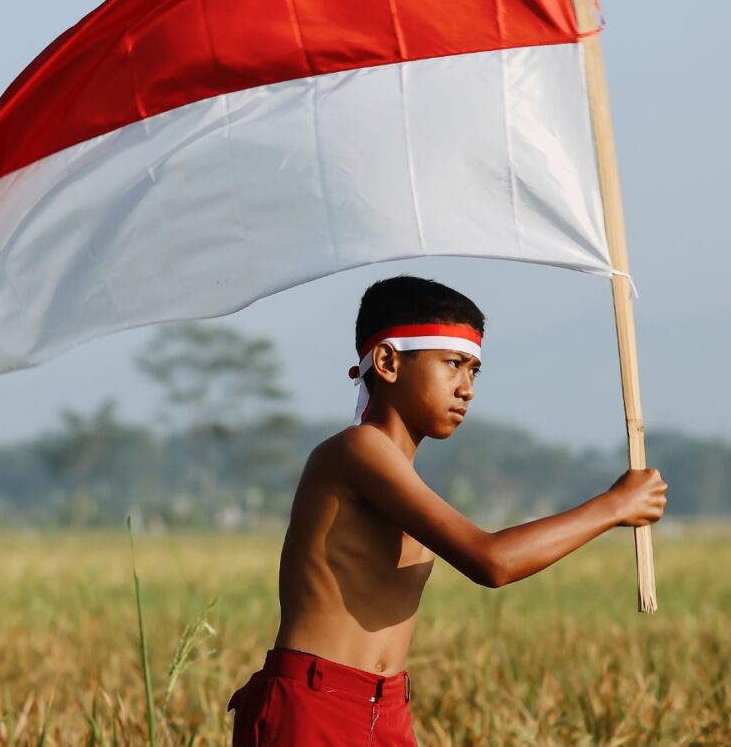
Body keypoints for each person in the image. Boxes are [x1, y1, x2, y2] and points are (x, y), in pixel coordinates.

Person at [227, 275, 668, 745]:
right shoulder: (356, 451)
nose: (467, 388)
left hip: (388, 710)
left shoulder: (401, 475)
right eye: (453, 364)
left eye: (474, 370)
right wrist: (614, 505)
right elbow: (491, 561)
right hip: (316, 709)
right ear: (388, 362)